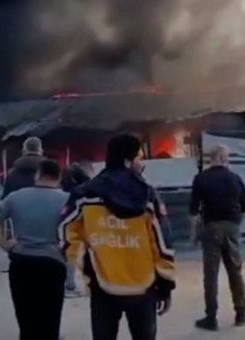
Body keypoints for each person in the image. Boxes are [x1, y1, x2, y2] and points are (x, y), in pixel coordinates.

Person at [60, 133, 175, 340]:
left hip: (103, 285)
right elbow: (163, 243)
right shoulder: (149, 196)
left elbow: (66, 230)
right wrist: (166, 285)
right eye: (139, 158)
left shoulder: (85, 195)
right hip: (144, 287)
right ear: (127, 161)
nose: (142, 164)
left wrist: (81, 268)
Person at [0, 159, 69, 340]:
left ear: (37, 175)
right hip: (53, 264)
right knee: (50, 322)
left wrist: (5, 245)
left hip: (22, 263)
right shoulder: (67, 200)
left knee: (27, 322)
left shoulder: (17, 196)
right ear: (59, 178)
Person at [189, 145, 245, 331]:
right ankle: (240, 314)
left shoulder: (201, 179)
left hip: (210, 228)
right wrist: (235, 226)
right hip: (231, 227)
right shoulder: (235, 179)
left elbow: (193, 212)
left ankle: (211, 317)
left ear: (211, 158)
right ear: (222, 158)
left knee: (211, 275)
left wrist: (194, 234)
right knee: (235, 272)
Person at [60, 162, 91, 298]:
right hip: (89, 230)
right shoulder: (89, 191)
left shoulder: (69, 194)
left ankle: (71, 285)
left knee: (72, 255)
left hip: (72, 230)